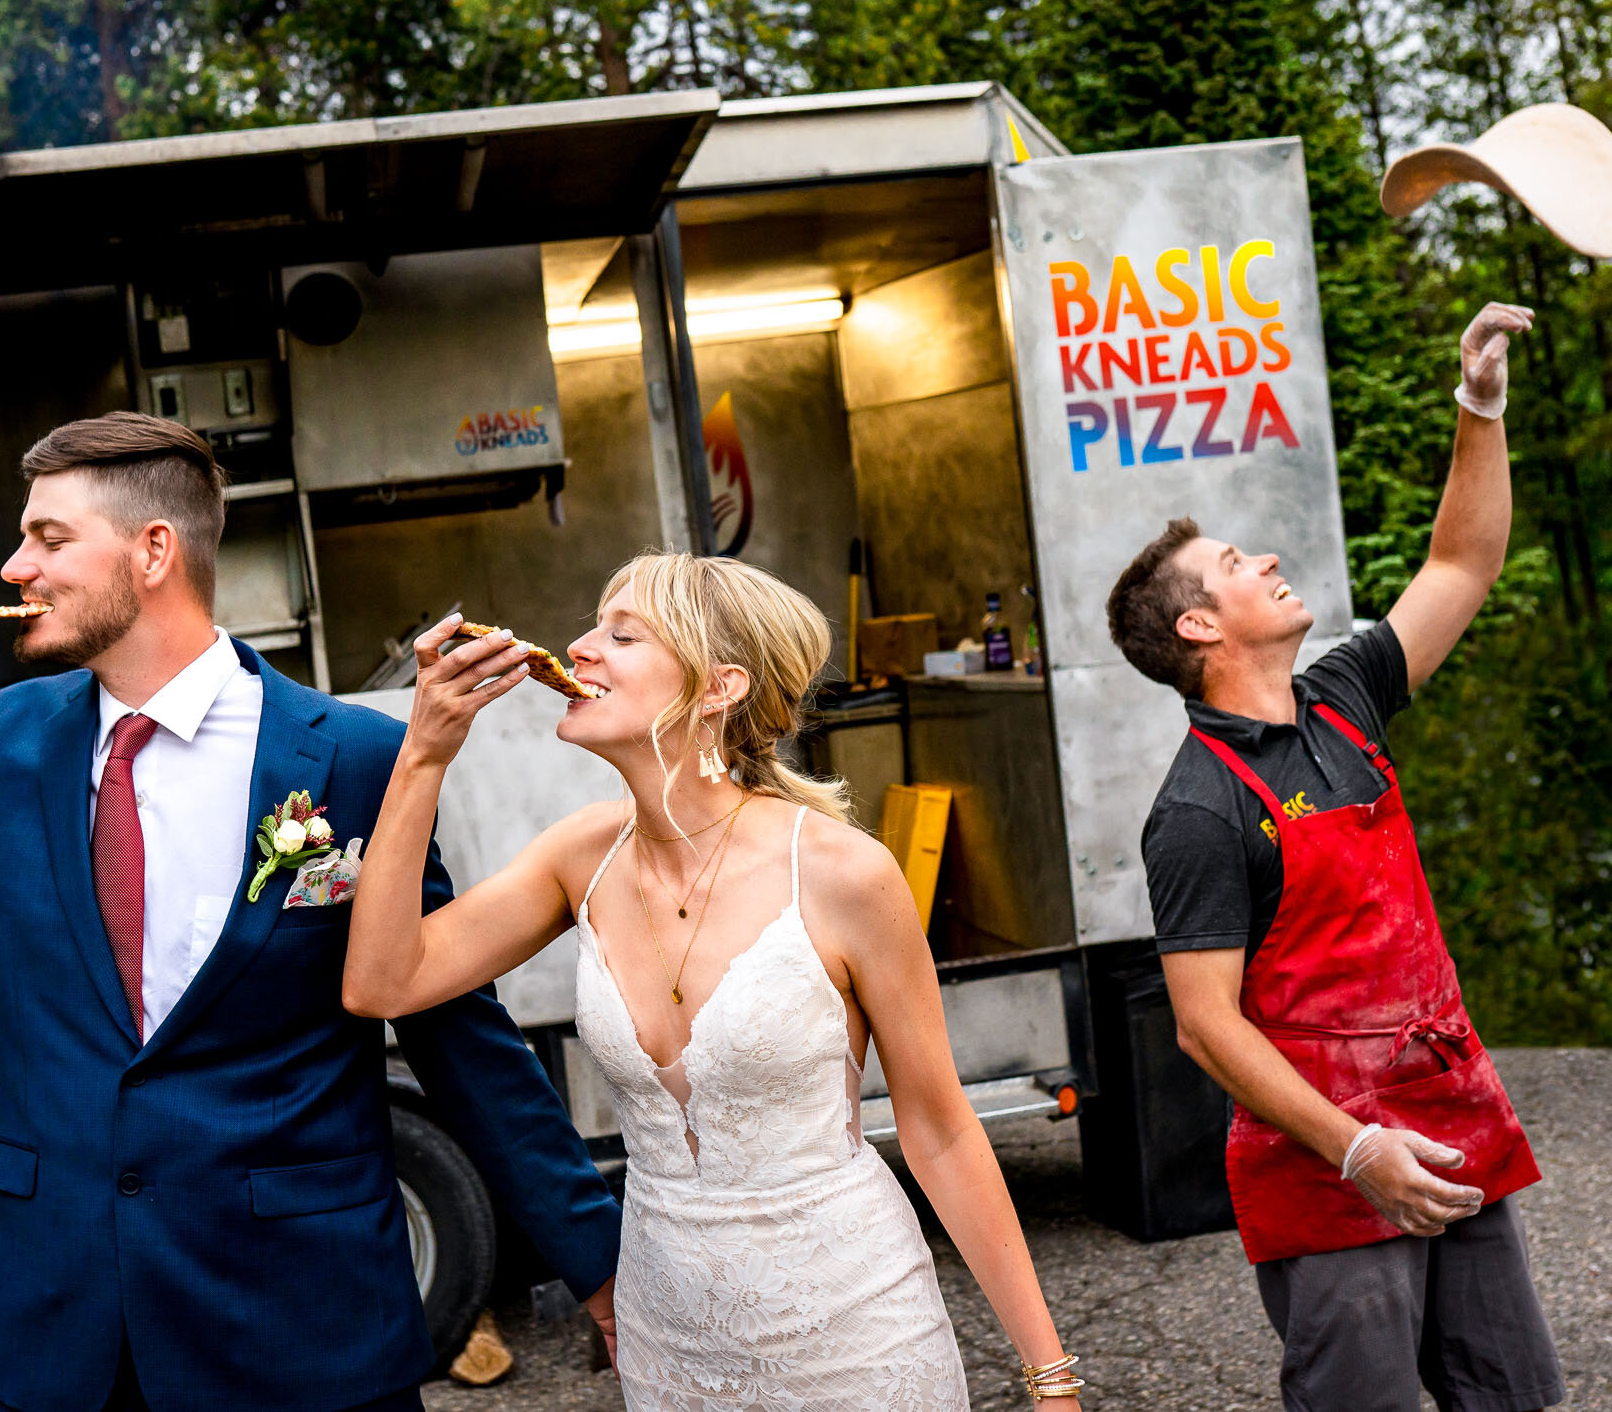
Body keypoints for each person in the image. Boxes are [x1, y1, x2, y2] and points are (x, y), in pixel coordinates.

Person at [0, 413, 622, 1412]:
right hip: (59, 1335)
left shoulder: (352, 758)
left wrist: (596, 1262)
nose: (15, 565)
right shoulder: (4, 742)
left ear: (153, 551)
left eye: (50, 537)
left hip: (300, 1326)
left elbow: (453, 1026)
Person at [342, 552, 1083, 1411]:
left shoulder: (843, 873)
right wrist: (424, 756)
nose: (579, 648)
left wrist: (1048, 1373)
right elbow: (381, 983)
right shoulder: (578, 857)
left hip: (852, 1338)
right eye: (593, 626)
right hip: (670, 1349)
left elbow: (942, 1129)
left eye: (621, 634)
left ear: (719, 687)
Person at [1105, 304, 1564, 1412]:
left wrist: (1479, 403)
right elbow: (1205, 1025)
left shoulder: (1345, 699)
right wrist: (1358, 1151)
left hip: (1445, 1105)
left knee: (1506, 1395)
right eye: (1232, 563)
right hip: (1326, 1164)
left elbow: (1462, 558)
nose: (1263, 557)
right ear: (1200, 631)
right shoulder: (1199, 809)